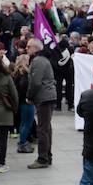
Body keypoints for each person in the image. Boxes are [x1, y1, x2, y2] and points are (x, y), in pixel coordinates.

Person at [26, 39, 57, 169]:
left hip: (43, 97)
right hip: (48, 96)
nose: (26, 48)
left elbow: (36, 82)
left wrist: (29, 96)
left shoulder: (38, 61)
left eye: (29, 46)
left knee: (42, 129)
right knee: (46, 127)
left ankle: (42, 158)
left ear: (35, 48)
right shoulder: (43, 60)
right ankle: (47, 156)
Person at [12, 53, 37, 153]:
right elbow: (24, 87)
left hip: (21, 102)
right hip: (26, 102)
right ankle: (22, 143)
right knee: (27, 123)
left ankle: (23, 142)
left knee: (24, 123)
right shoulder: (25, 75)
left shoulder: (17, 74)